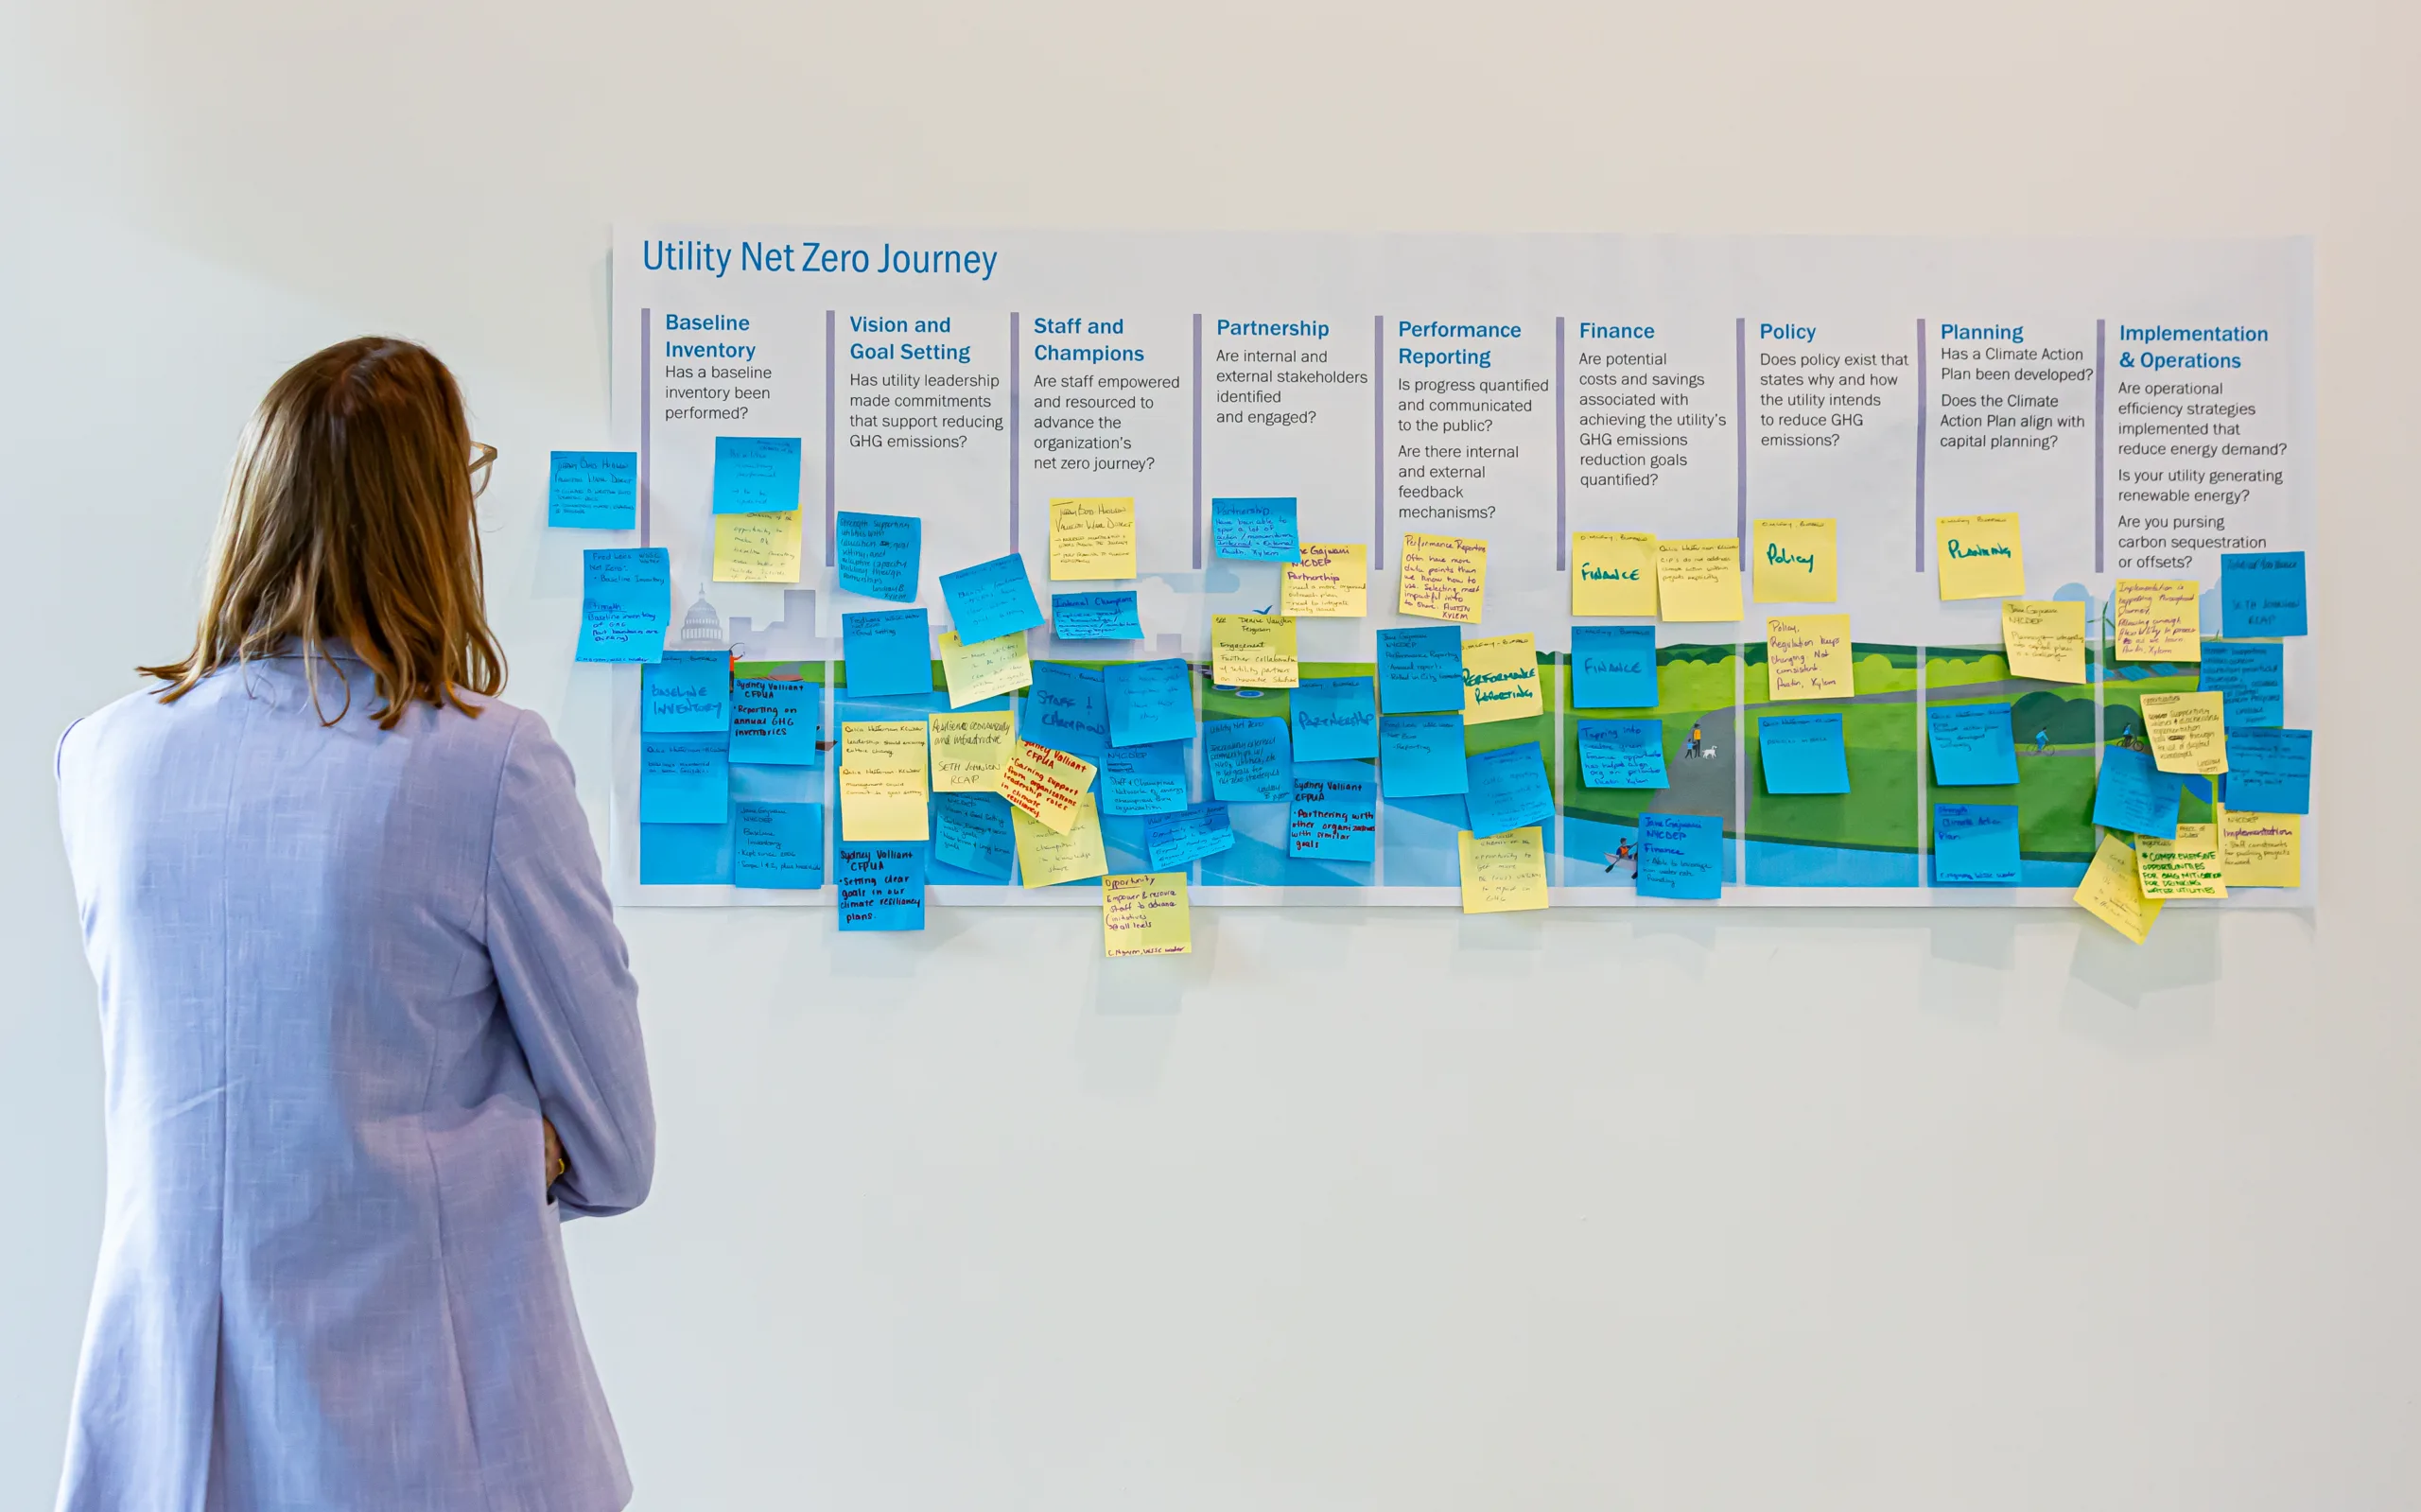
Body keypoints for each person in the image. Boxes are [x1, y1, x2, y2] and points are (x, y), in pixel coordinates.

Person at [52, 338, 654, 1512]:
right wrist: (463, 1144)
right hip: (432, 1436)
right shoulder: (491, 766)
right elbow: (617, 1148)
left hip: (173, 1433)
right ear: (435, 519)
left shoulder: (102, 759)